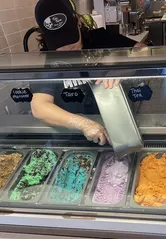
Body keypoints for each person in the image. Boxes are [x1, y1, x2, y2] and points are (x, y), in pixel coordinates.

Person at [31, 0, 145, 146]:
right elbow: (39, 107)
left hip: (114, 131)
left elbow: (142, 50)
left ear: (78, 21)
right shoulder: (47, 59)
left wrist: (121, 70)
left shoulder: (100, 38)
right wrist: (82, 124)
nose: (66, 47)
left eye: (69, 38)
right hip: (71, 138)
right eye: (58, 42)